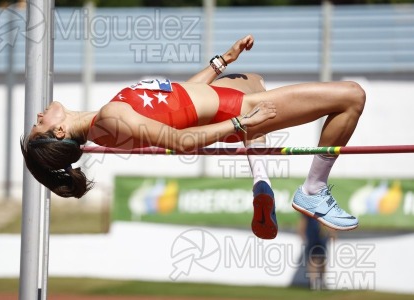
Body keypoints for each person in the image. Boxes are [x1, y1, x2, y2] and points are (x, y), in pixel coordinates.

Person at [21, 35, 365, 239]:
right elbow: (181, 141)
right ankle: (313, 191)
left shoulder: (105, 120)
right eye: (39, 125)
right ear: (60, 131)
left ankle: (262, 182)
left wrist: (220, 63)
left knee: (252, 77)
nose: (39, 116)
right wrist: (242, 124)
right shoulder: (112, 118)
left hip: (231, 103)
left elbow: (180, 100)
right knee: (352, 95)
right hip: (239, 111)